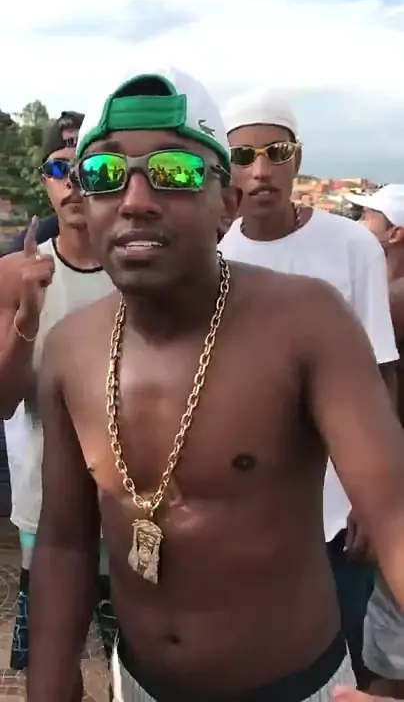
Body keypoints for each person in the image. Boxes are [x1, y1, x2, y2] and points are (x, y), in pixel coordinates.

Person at [27, 64, 404, 702]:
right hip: (139, 683)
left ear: (225, 203)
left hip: (296, 687)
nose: (135, 200)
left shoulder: (306, 322)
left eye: (174, 172)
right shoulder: (69, 348)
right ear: (86, 203)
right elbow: (64, 542)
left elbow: (394, 514)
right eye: (105, 173)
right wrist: (47, 686)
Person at [218, 90, 398, 689]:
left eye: (277, 153)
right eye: (242, 156)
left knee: (343, 660)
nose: (260, 171)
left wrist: (373, 499)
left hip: (338, 511)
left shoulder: (352, 245)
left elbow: (380, 371)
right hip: (245, 511)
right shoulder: (212, 253)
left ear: (297, 158)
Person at [0, 112, 117, 685]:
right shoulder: (14, 272)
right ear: (43, 180)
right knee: (53, 665)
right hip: (46, 507)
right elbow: (3, 402)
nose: (72, 182)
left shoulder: (142, 266)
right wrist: (27, 314)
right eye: (57, 169)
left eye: (86, 167)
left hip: (134, 508)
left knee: (133, 661)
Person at [345, 184, 404, 699]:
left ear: (395, 233)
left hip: (391, 475)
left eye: (369, 216)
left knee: (387, 653)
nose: (360, 224)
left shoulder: (393, 300)